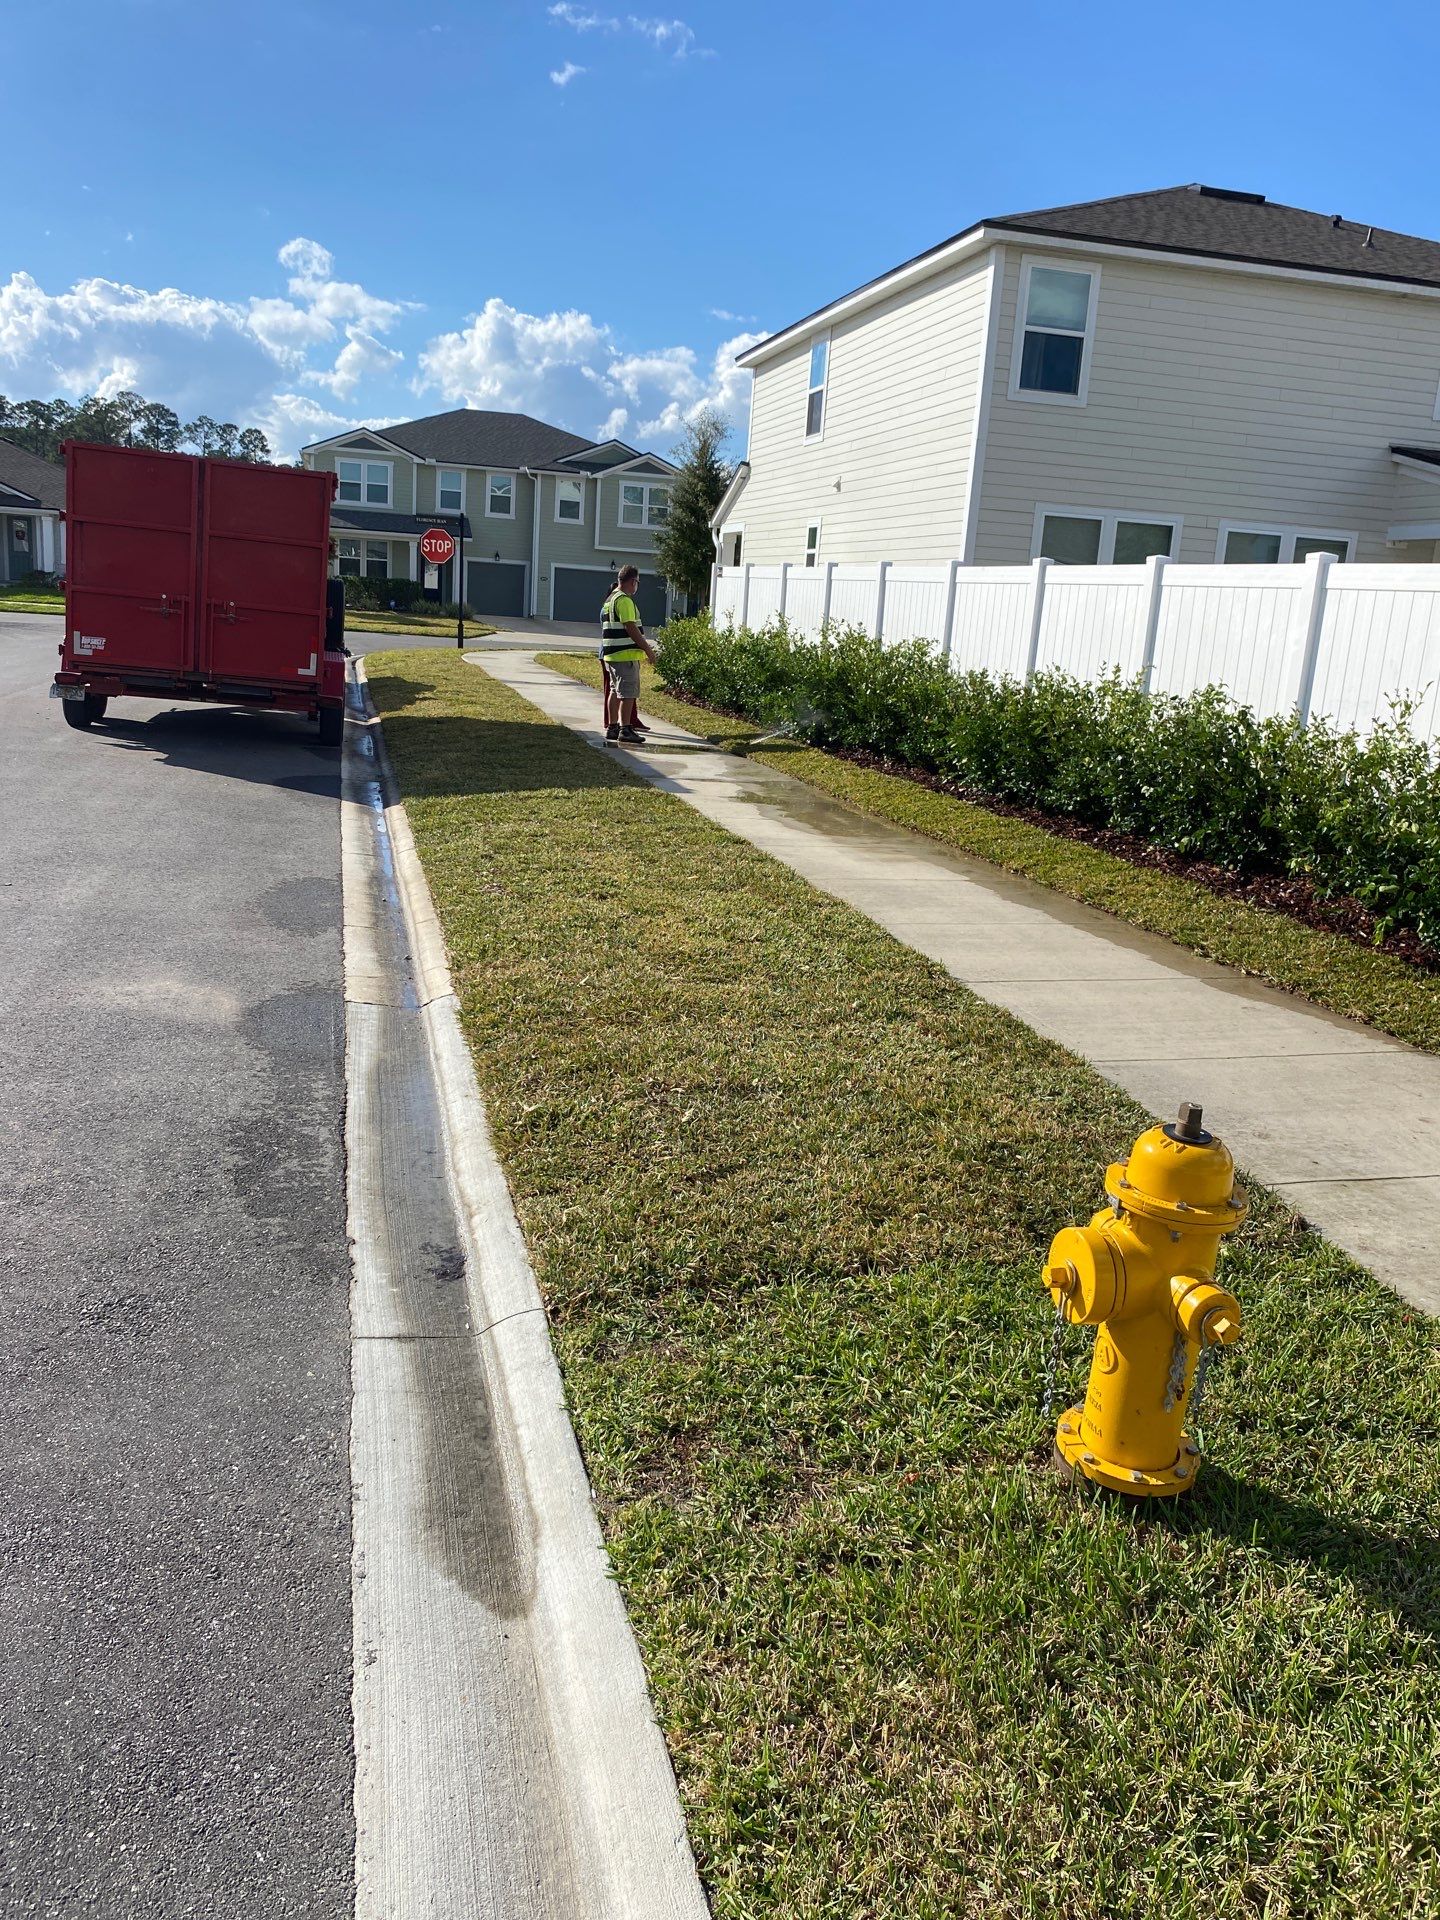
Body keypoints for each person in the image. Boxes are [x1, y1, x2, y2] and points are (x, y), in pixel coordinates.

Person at [599, 565, 656, 745]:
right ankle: (626, 729)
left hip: (612, 655)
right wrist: (648, 650)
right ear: (633, 581)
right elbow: (630, 627)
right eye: (637, 582)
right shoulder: (624, 600)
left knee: (615, 691)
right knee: (628, 693)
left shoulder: (610, 599)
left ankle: (613, 727)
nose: (637, 586)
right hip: (625, 655)